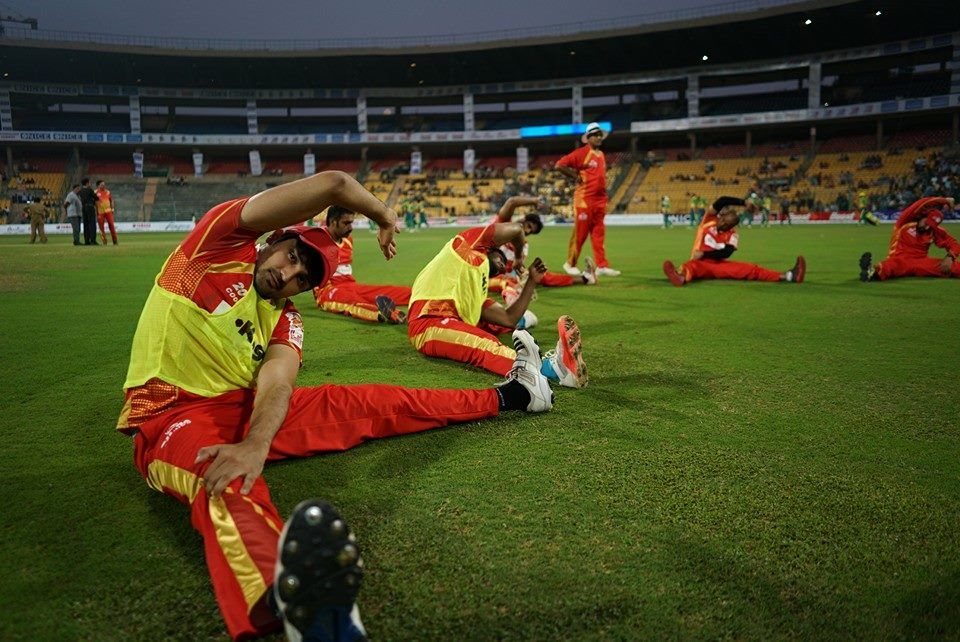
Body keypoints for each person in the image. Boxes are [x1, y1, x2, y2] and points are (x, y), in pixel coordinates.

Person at [117, 170, 556, 642]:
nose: (287, 275)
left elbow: (278, 384)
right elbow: (332, 184)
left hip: (247, 409)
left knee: (376, 401)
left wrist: (257, 441)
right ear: (274, 239)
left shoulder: (286, 320)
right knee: (225, 479)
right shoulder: (215, 247)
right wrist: (385, 216)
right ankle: (298, 605)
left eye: (301, 278)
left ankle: (511, 394)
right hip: (171, 415)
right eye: (290, 257)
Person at [407, 221, 588, 388]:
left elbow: (509, 319)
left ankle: (547, 359)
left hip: (445, 320)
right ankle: (553, 370)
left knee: (491, 332)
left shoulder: (474, 292)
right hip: (427, 322)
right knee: (484, 344)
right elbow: (517, 229)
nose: (502, 268)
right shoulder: (465, 244)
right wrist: (518, 259)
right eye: (500, 258)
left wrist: (532, 280)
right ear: (490, 249)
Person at [662, 196, 806, 286]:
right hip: (699, 263)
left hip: (717, 264)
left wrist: (705, 254)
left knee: (750, 269)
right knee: (690, 266)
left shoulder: (733, 235)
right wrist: (744, 202)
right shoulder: (709, 219)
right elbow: (722, 200)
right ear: (721, 216)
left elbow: (727, 252)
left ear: (733, 226)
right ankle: (680, 277)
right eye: (724, 221)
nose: (725, 225)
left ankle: (789, 276)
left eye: (729, 225)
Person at [312, 205, 411, 323]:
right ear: (333, 222)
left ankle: (421, 296)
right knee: (352, 300)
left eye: (351, 223)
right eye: (346, 223)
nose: (350, 227)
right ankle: (384, 313)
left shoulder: (348, 240)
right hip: (327, 291)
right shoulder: (317, 240)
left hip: (350, 284)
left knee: (388, 290)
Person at [488, 196, 597, 298]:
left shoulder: (524, 244)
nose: (527, 231)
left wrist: (525, 275)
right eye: (529, 226)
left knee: (540, 275)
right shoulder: (503, 224)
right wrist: (534, 201)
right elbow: (512, 202)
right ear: (523, 219)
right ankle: (517, 297)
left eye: (531, 231)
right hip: (484, 272)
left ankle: (586, 278)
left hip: (504, 274)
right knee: (504, 281)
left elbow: (514, 267)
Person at [555, 122, 621, 277]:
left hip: (599, 201)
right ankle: (570, 263)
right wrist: (574, 176)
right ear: (588, 137)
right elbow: (559, 165)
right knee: (581, 233)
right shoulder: (582, 152)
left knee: (599, 234)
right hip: (584, 199)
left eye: (600, 135)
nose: (599, 138)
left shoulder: (601, 154)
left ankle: (602, 266)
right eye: (595, 135)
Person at [859, 196, 959, 281]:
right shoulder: (905, 221)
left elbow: (954, 244)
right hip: (899, 260)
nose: (927, 227)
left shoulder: (934, 230)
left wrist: (950, 257)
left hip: (920, 262)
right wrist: (945, 200)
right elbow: (923, 203)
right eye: (926, 223)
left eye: (931, 226)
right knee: (889, 267)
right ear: (922, 216)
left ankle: (872, 272)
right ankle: (870, 272)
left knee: (950, 266)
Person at [96, 179, 119, 245]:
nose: (103, 186)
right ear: (98, 185)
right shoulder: (95, 192)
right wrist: (96, 212)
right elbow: (94, 203)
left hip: (108, 211)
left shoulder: (108, 192)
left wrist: (112, 208)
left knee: (111, 225)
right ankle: (104, 241)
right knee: (101, 227)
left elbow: (111, 200)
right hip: (100, 212)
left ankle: (115, 241)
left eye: (104, 184)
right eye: (102, 185)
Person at [78, 177, 98, 245]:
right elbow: (96, 198)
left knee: (86, 224)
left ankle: (86, 241)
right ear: (87, 183)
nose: (90, 184)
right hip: (90, 207)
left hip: (84, 208)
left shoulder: (80, 191)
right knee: (92, 224)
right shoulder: (90, 190)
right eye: (89, 183)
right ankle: (93, 240)